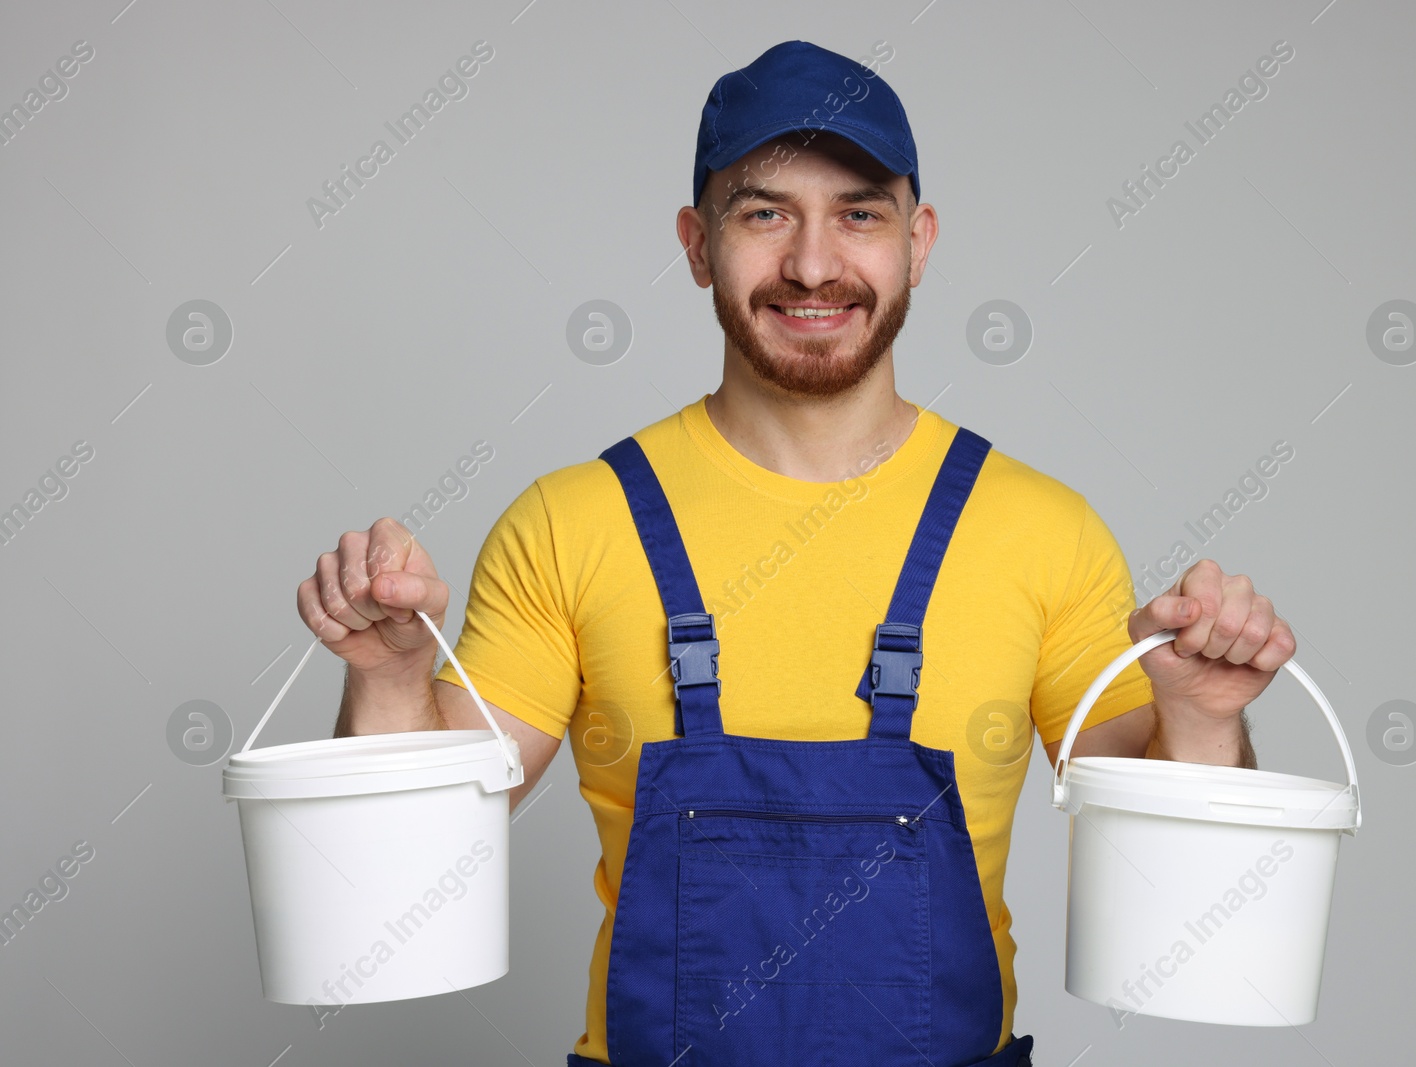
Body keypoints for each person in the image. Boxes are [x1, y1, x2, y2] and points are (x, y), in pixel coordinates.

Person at [298, 39, 1297, 1067]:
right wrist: (386, 676)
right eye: (762, 212)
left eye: (859, 213)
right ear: (695, 244)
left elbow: (1174, 890)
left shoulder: (1042, 529)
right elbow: (404, 875)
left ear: (920, 241)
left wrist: (1202, 717)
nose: (813, 264)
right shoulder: (573, 522)